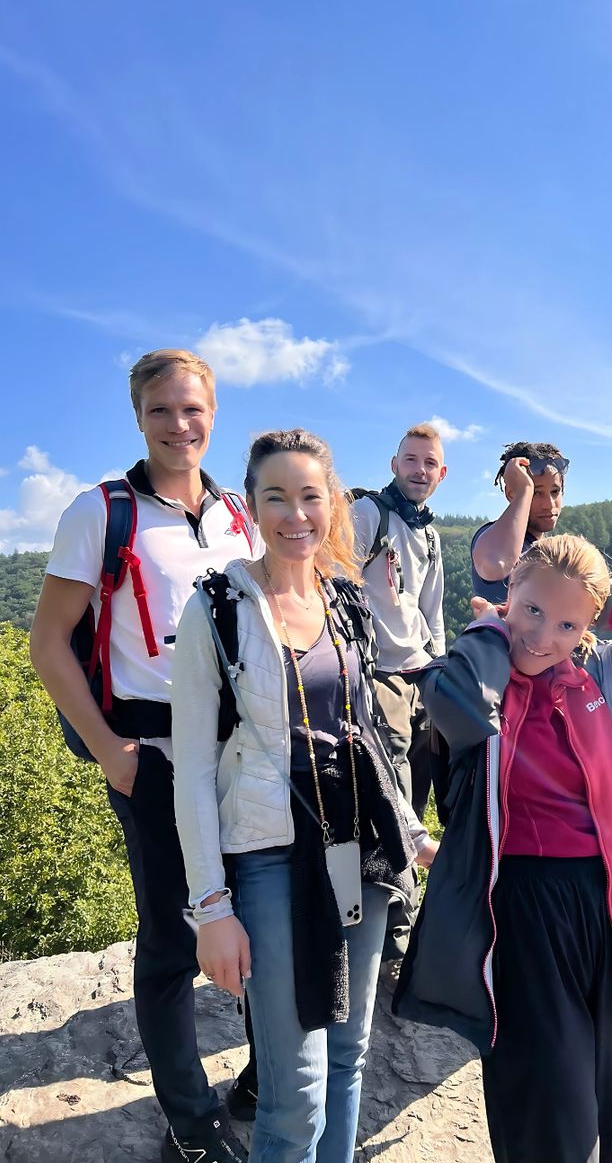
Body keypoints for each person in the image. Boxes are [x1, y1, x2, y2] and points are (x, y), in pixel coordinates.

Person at [394, 534, 612, 1163]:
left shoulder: (608, 674)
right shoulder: (472, 671)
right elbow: (460, 709)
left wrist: (601, 596)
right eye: (533, 610)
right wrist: (491, 634)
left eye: (569, 623)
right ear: (507, 592)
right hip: (525, 909)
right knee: (546, 1101)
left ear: (592, 624)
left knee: (606, 1098)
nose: (543, 636)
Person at [172, 429, 436, 1163]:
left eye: (310, 496)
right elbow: (192, 768)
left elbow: (365, 737)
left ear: (333, 504)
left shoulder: (346, 602)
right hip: (271, 862)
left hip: (359, 853)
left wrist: (412, 831)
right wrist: (212, 910)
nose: (296, 515)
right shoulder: (217, 609)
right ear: (250, 506)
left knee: (349, 1059)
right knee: (298, 1090)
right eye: (275, 497)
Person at [29, 349, 257, 1163]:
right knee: (171, 937)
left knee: (256, 910)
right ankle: (191, 1123)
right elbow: (48, 644)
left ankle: (264, 1078)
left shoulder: (238, 513)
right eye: (161, 410)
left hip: (241, 753)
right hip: (151, 752)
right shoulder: (102, 511)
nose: (179, 425)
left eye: (192, 409)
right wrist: (110, 752)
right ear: (138, 417)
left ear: (213, 411)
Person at [349, 423, 447, 959]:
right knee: (396, 796)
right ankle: (393, 929)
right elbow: (337, 580)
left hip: (420, 676)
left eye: (429, 463)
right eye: (411, 460)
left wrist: (441, 673)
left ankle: (400, 919)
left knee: (422, 792)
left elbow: (430, 613)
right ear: (394, 464)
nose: (419, 471)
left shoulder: (429, 533)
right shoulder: (369, 515)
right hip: (378, 674)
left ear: (441, 473)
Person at [470, 440, 569, 603]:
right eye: (537, 493)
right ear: (511, 494)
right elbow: (496, 564)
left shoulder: (550, 551)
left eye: (555, 491)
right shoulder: (492, 537)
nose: (549, 504)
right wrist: (525, 489)